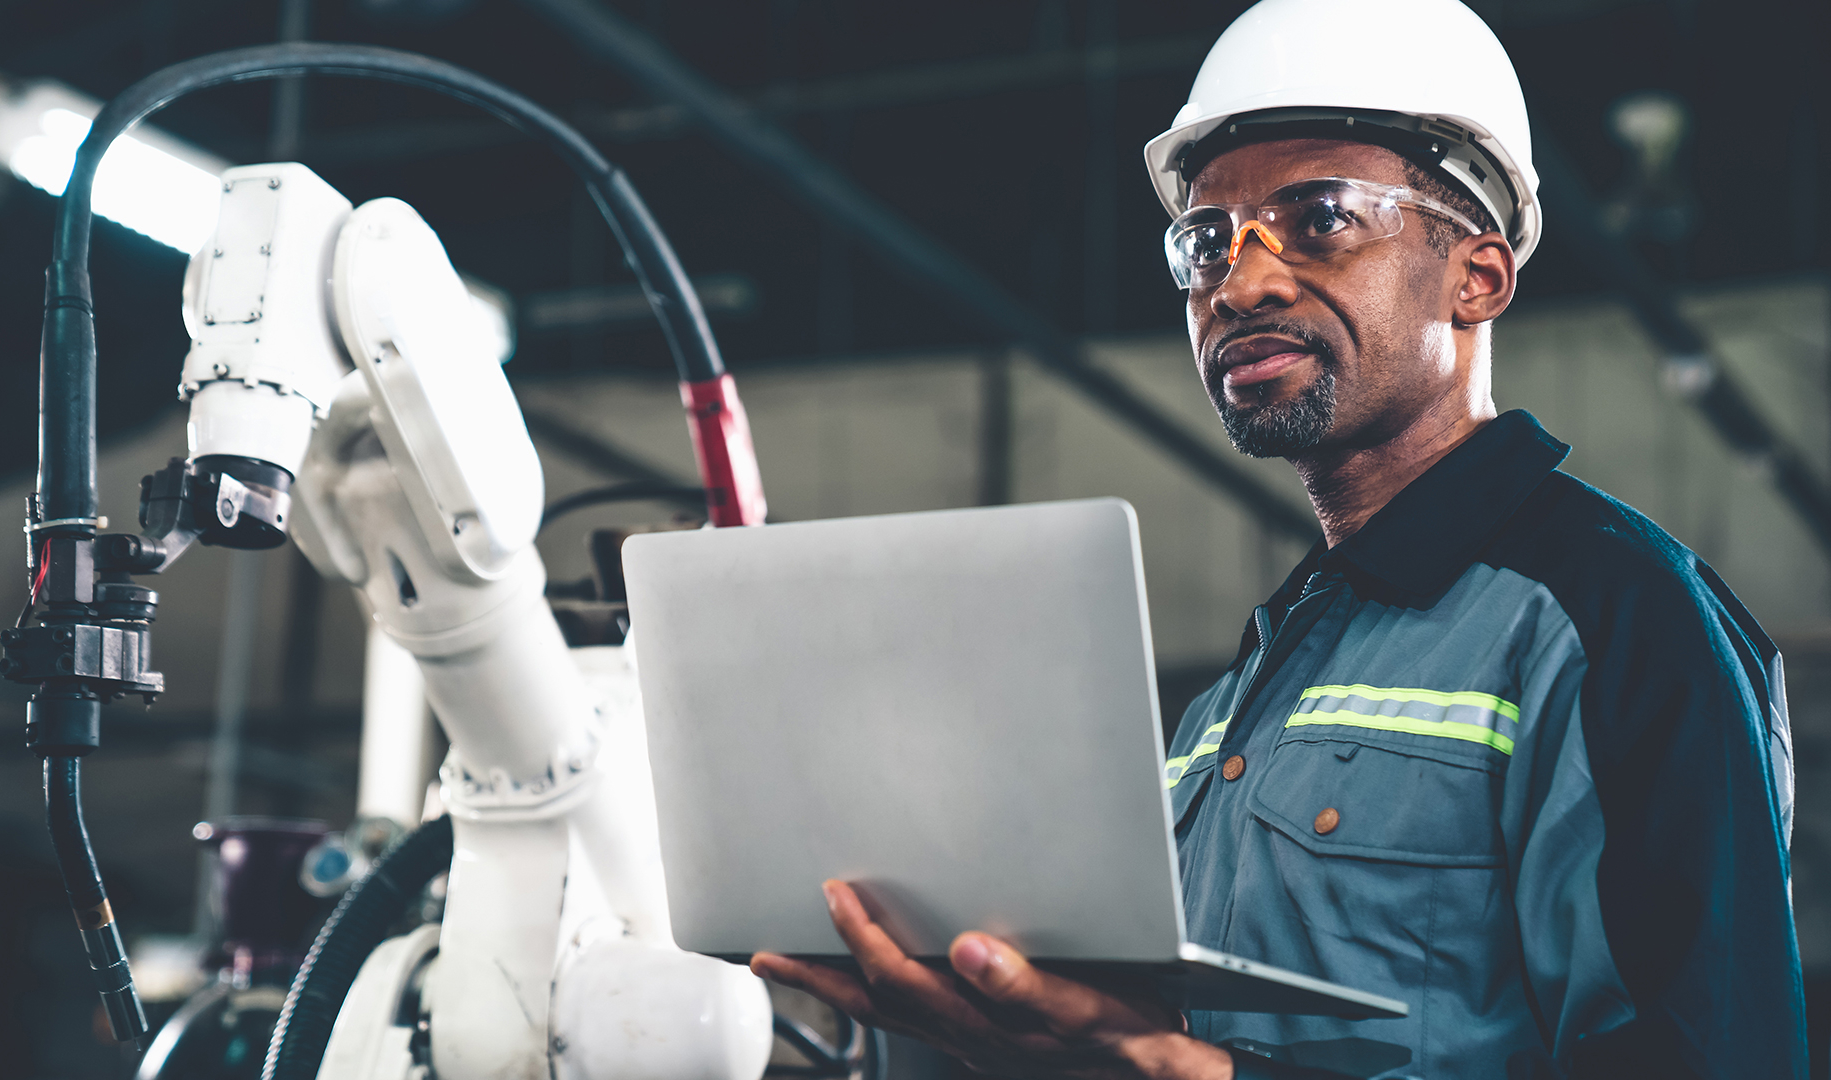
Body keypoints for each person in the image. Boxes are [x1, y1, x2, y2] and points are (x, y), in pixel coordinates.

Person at [748, 0, 1806, 1077]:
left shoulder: (1613, 616)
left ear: (1476, 276)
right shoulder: (1233, 704)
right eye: (1206, 241)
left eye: (1323, 219)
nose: (1240, 283)